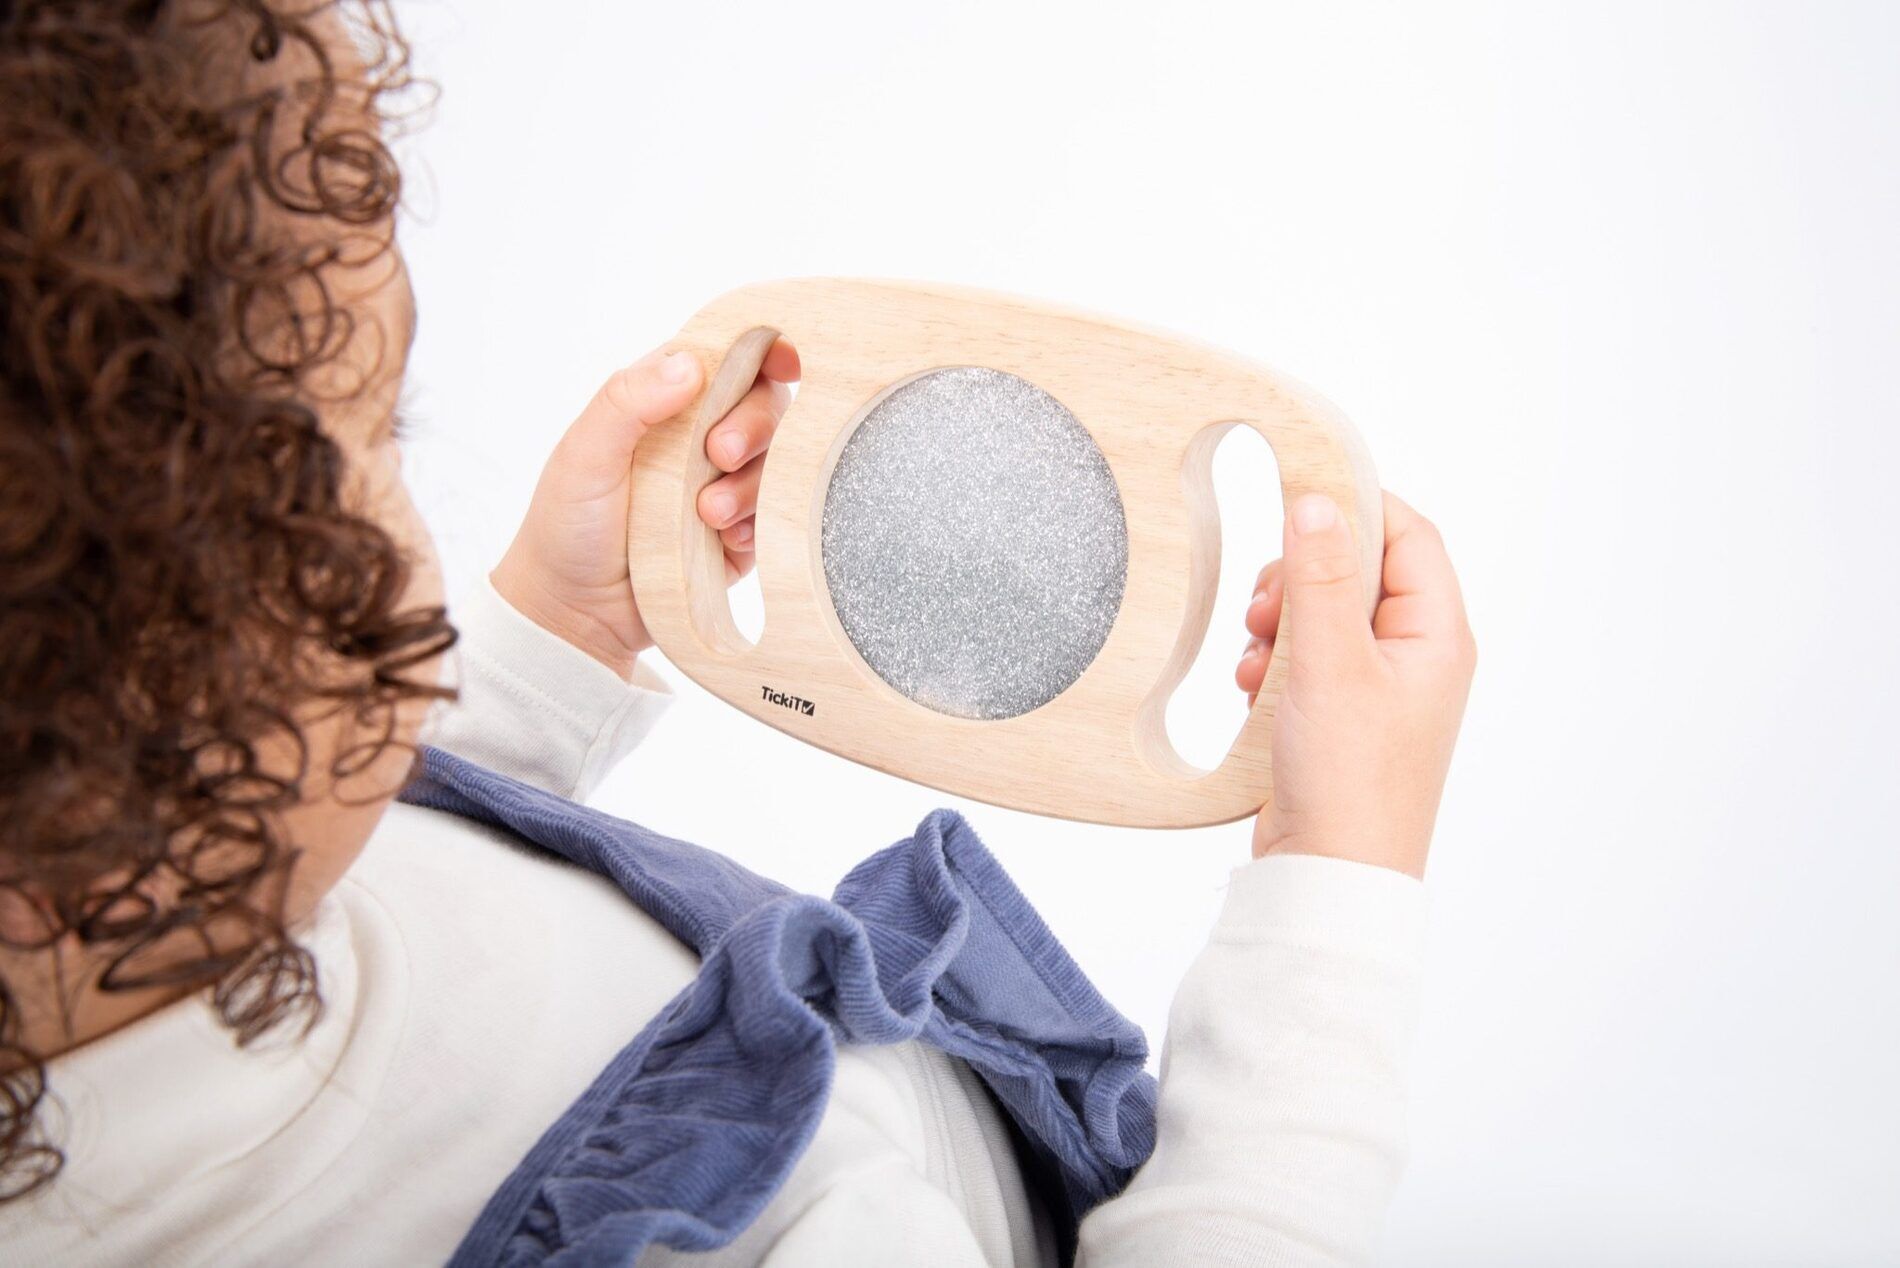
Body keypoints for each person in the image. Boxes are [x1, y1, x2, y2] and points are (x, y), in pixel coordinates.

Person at [0, 2, 1475, 1263]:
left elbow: (362, 848)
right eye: (375, 439)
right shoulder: (743, 1236)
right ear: (153, 727)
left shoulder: (142, 918)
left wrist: (558, 634)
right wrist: (1333, 884)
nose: (406, 501)